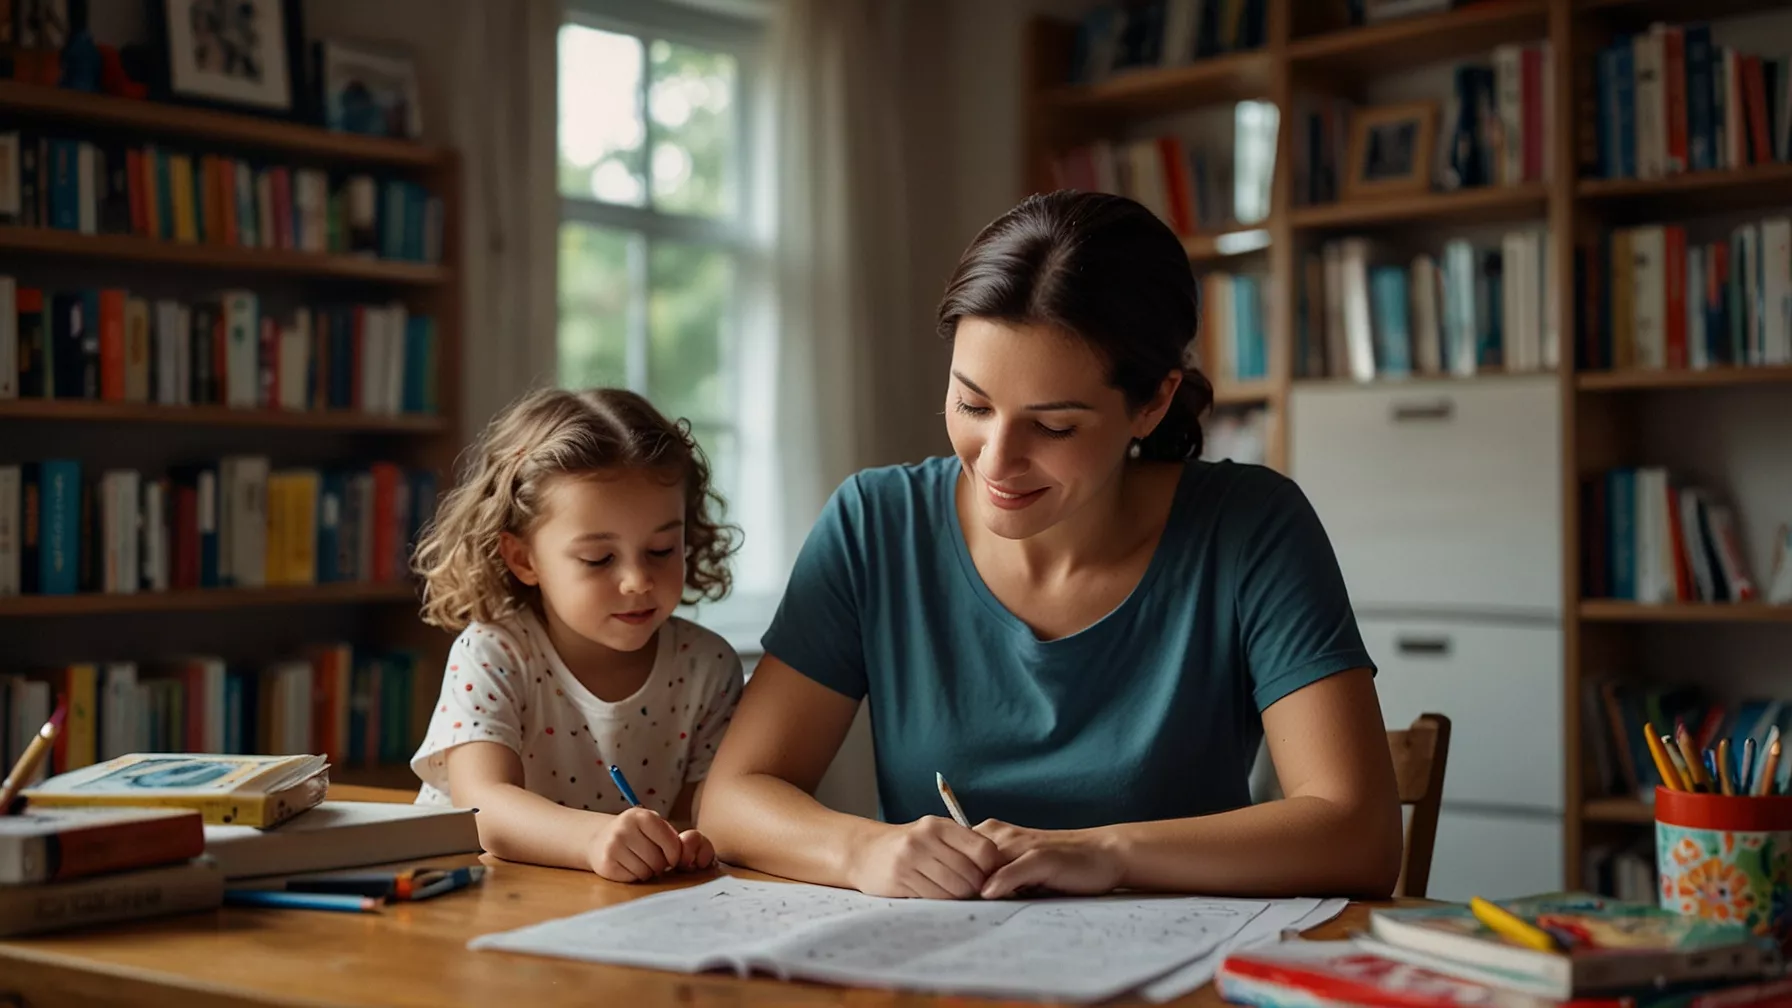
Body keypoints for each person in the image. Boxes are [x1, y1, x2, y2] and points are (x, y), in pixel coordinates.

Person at [699, 190, 1403, 901]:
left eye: (1054, 426)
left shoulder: (1251, 527)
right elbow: (731, 799)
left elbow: (1360, 834)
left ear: (1154, 403)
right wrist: (861, 851)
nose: (996, 460)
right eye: (972, 404)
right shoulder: (875, 524)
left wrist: (1106, 853)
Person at [409, 387, 745, 883]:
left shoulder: (707, 666)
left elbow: (701, 813)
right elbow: (482, 806)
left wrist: (685, 842)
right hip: (477, 895)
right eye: (598, 559)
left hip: (609, 903)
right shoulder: (492, 654)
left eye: (661, 549)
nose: (637, 581)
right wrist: (594, 840)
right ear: (524, 558)